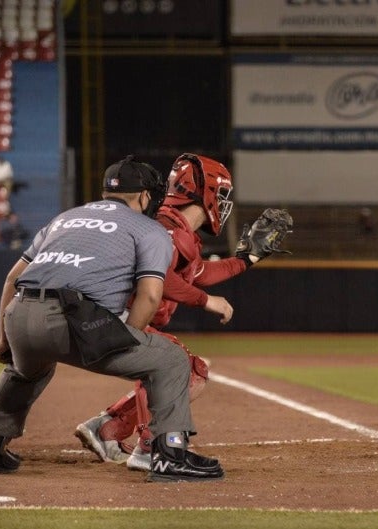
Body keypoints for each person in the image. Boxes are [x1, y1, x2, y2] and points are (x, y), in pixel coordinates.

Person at [0, 155, 225, 483]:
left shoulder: (66, 218)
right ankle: (170, 454)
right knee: (171, 359)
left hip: (19, 312)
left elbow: (13, 279)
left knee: (26, 368)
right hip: (73, 318)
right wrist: (128, 338)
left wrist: (5, 337)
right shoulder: (149, 229)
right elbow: (150, 296)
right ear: (145, 196)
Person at [74, 153, 293, 472]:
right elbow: (163, 274)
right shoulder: (166, 227)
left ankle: (108, 429)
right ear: (203, 192)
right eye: (220, 194)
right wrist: (205, 301)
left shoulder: (173, 228)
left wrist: (245, 261)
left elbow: (198, 272)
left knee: (187, 367)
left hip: (111, 319)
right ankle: (148, 446)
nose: (222, 202)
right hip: (113, 321)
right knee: (186, 370)